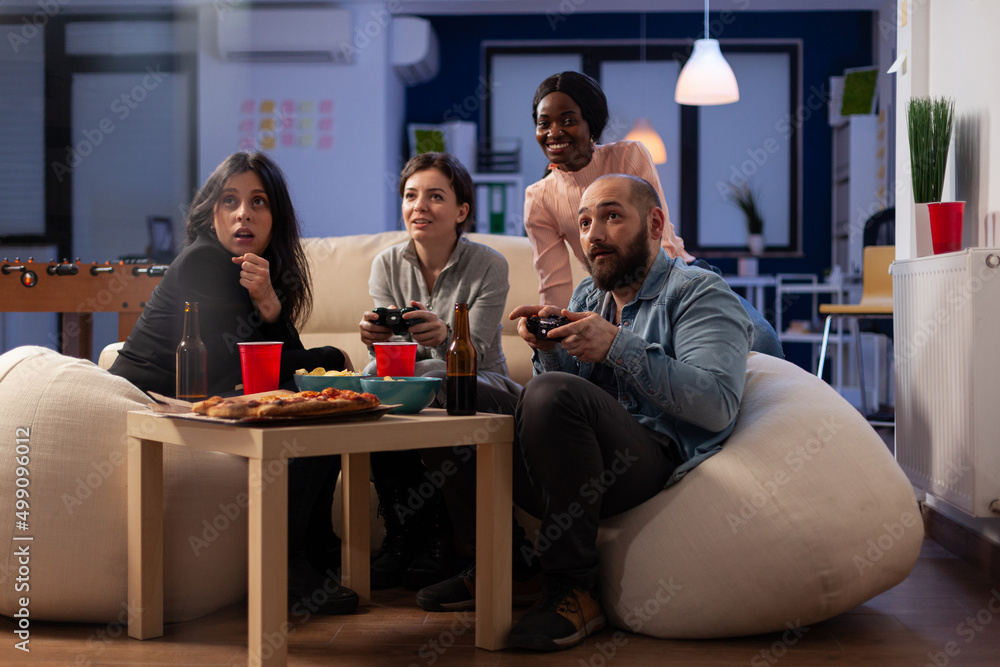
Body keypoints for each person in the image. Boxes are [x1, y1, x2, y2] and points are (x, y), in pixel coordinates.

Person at [417, 174, 751, 651]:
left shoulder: (698, 293)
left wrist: (617, 346)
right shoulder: (589, 297)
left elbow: (716, 405)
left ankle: (573, 588)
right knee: (449, 389)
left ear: (655, 223)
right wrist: (545, 346)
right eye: (586, 221)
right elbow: (562, 389)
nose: (593, 235)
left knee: (552, 392)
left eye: (612, 216)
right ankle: (509, 564)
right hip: (574, 461)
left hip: (645, 461)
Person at [109, 150, 359, 616]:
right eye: (230, 200)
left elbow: (278, 368)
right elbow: (246, 374)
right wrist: (330, 358)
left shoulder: (256, 269)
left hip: (203, 400)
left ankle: (315, 551)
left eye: (258, 201)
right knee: (320, 378)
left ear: (275, 215)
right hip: (153, 407)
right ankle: (291, 565)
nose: (244, 212)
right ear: (212, 213)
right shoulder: (204, 262)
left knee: (320, 398)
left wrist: (269, 304)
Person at [525, 71, 783, 358]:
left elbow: (656, 239)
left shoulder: (627, 156)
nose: (554, 132)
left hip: (678, 273)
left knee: (761, 340)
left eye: (569, 120)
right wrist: (554, 327)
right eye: (543, 123)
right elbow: (555, 285)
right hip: (615, 295)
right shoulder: (538, 198)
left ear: (592, 124)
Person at [358, 152, 521, 590]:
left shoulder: (490, 265)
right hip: (416, 383)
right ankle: (407, 535)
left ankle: (443, 543)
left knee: (444, 381)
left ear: (461, 210)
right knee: (374, 381)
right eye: (411, 196)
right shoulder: (386, 264)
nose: (419, 206)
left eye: (435, 196)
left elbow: (477, 350)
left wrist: (445, 334)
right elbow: (391, 354)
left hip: (476, 385)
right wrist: (374, 335)